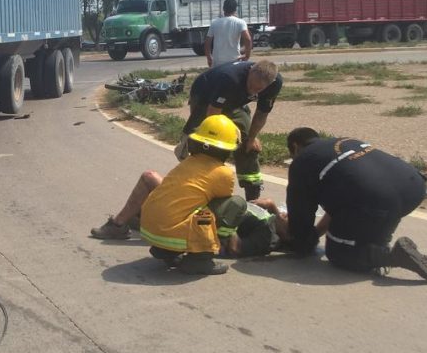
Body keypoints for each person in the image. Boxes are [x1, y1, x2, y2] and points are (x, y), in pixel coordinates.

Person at [284, 127, 427, 283]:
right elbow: (339, 205)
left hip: (377, 201)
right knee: (364, 210)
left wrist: (301, 243)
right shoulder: (346, 141)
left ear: (296, 147)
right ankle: (378, 242)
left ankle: (392, 256)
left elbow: (300, 215)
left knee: (339, 252)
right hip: (414, 188)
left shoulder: (303, 161)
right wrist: (317, 233)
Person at [90, 115, 244, 275]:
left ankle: (168, 251)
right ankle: (200, 258)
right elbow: (220, 204)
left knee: (185, 208)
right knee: (236, 204)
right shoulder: (224, 173)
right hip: (172, 233)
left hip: (150, 229)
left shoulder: (188, 162)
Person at [90, 168, 291, 259]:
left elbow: (236, 248)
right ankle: (135, 219)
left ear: (288, 236)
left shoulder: (268, 238)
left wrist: (231, 220)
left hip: (200, 219)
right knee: (151, 180)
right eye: (287, 214)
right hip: (203, 208)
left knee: (149, 178)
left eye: (289, 218)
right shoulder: (270, 218)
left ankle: (119, 225)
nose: (286, 215)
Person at [173, 60, 282, 201]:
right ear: (249, 72)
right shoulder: (230, 78)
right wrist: (225, 137)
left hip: (235, 103)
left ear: (270, 83)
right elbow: (213, 115)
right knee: (204, 143)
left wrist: (251, 138)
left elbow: (262, 114)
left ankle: (253, 195)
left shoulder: (275, 83)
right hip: (206, 99)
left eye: (258, 90)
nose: (252, 90)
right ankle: (197, 188)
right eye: (250, 85)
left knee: (249, 145)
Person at [204, 0, 252, 67]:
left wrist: (209, 58)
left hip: (217, 62)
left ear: (223, 9)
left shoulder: (215, 23)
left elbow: (207, 42)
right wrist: (247, 55)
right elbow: (248, 39)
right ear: (235, 9)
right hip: (234, 61)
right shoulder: (240, 22)